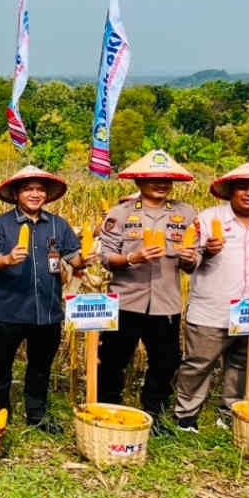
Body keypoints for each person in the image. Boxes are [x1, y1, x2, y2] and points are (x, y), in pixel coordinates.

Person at [0, 166, 94, 432]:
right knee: (0, 367)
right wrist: (7, 259)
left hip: (47, 309)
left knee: (41, 367)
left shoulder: (58, 224)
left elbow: (73, 257)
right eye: (28, 188)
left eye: (40, 189)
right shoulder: (1, 224)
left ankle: (36, 414)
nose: (35, 194)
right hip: (9, 309)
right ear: (17, 193)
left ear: (47, 195)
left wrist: (83, 260)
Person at [98, 149, 197, 434]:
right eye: (153, 178)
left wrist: (191, 259)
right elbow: (107, 258)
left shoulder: (186, 214)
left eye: (166, 179)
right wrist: (133, 258)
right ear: (139, 181)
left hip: (166, 302)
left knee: (166, 362)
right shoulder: (120, 214)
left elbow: (192, 262)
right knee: (114, 360)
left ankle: (154, 411)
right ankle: (109, 409)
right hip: (127, 299)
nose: (160, 183)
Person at [174, 163, 249, 432]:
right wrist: (204, 253)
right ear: (230, 191)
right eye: (243, 187)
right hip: (212, 307)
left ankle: (229, 413)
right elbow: (188, 264)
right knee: (198, 364)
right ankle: (186, 416)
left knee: (241, 364)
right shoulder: (207, 218)